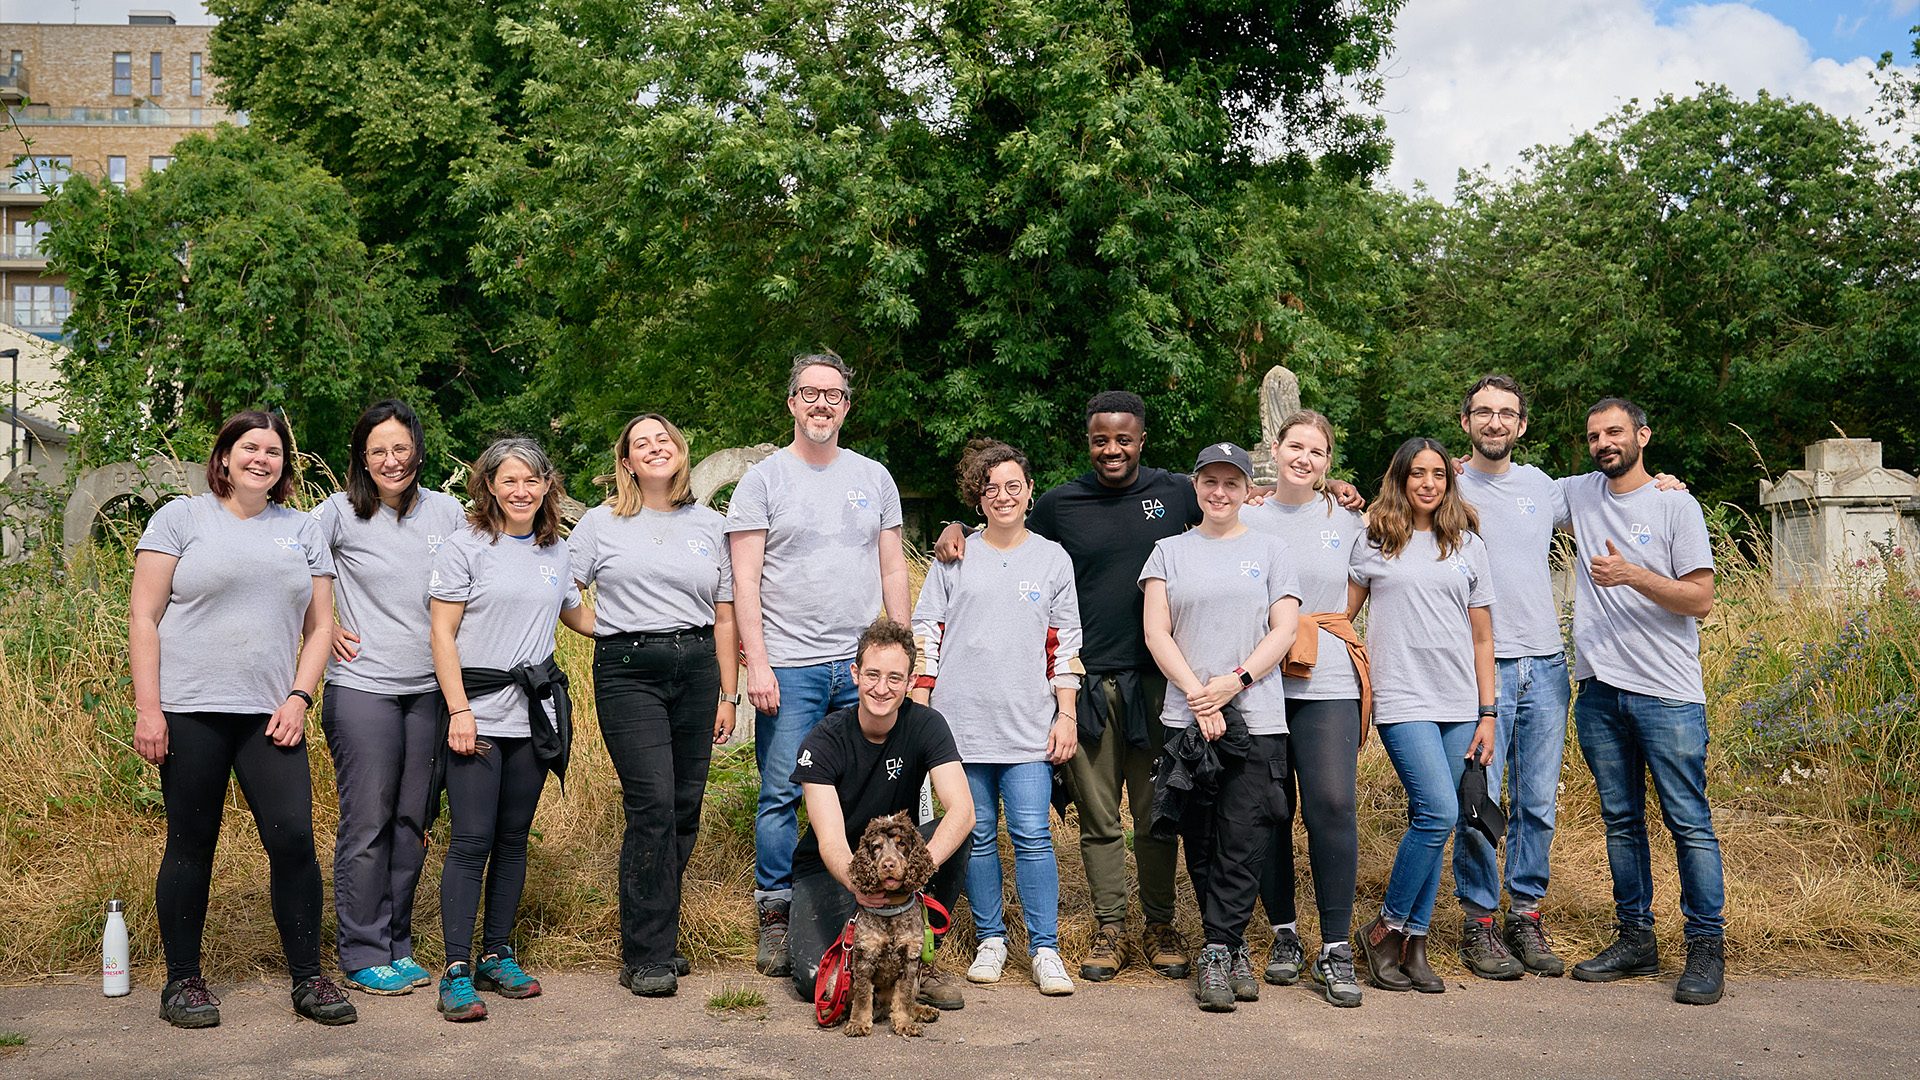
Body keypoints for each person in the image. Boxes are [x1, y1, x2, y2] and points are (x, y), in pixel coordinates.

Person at [935, 390, 1200, 982]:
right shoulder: (1059, 504)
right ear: (1088, 442)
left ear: (1141, 439)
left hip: (1160, 683)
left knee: (1157, 815)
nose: (1112, 449)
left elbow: (1238, 504)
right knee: (1100, 818)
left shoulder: (1177, 492)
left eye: (1123, 438)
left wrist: (1335, 492)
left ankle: (1159, 923)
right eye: (1101, 439)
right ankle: (1110, 927)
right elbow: (1001, 528)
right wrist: (954, 527)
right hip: (1087, 687)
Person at [1451, 375, 1687, 979]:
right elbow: (1386, 512)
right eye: (1484, 413)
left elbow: (1623, 485)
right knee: (1478, 800)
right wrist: (1336, 490)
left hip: (1548, 668)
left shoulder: (1548, 489)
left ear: (1522, 426)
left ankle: (1524, 915)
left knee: (1536, 801)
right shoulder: (1444, 484)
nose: (1495, 423)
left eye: (1507, 414)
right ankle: (1479, 922)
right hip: (1478, 668)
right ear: (1467, 423)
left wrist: (1665, 484)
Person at [130, 409, 357, 1029]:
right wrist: (150, 709)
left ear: (285, 465)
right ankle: (183, 982)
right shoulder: (180, 519)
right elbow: (144, 619)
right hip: (191, 710)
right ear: (224, 456)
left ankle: (309, 978)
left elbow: (320, 628)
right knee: (191, 843)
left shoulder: (303, 530)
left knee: (292, 841)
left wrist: (299, 698)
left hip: (270, 715)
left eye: (275, 451)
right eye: (250, 448)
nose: (263, 458)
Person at [725, 352, 912, 986]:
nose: (822, 404)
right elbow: (745, 581)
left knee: (870, 790)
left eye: (833, 395)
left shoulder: (874, 478)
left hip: (861, 670)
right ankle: (776, 916)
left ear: (847, 405)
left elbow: (892, 570)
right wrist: (759, 664)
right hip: (793, 666)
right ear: (791, 403)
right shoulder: (764, 482)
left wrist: (897, 654)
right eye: (809, 393)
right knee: (781, 792)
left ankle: (870, 907)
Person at [571, 414, 740, 998]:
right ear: (627, 462)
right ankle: (646, 954)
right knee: (652, 803)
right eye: (640, 444)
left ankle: (656, 936)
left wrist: (728, 691)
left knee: (685, 805)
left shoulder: (711, 525)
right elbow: (559, 586)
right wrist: (601, 626)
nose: (654, 449)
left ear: (679, 451)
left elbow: (725, 613)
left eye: (662, 440)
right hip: (628, 671)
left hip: (696, 667)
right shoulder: (600, 524)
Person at [1563, 398, 1725, 1006]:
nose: (1604, 442)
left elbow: (1699, 600)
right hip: (1599, 691)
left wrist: (1632, 575)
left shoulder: (1674, 502)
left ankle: (1706, 947)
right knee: (1622, 821)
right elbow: (1491, 489)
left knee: (1689, 822)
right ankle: (1636, 938)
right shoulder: (1579, 493)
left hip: (1669, 693)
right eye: (1593, 435)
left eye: (1615, 432)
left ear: (1642, 436)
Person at [429, 437, 596, 1022]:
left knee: (514, 840)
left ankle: (496, 953)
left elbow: (580, 616)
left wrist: (655, 621)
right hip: (475, 712)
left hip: (533, 717)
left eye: (532, 480)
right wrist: (458, 711)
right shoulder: (465, 546)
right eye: (509, 481)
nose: (521, 491)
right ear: (490, 487)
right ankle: (455, 969)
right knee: (471, 841)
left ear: (548, 486)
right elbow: (442, 635)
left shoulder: (557, 551)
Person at [910, 440, 1083, 996]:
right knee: (977, 834)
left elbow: (1065, 645)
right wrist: (920, 701)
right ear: (977, 498)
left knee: (1032, 834)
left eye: (1013, 485)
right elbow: (927, 632)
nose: (1003, 496)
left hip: (1028, 725)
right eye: (991, 489)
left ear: (1030, 491)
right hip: (960, 725)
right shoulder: (954, 555)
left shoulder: (1053, 558)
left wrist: (1066, 714)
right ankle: (990, 939)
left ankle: (1045, 949)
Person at [314, 399, 468, 996]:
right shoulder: (336, 514)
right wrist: (321, 628)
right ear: (361, 457)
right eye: (378, 450)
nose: (390, 460)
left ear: (418, 450)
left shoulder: (449, 513)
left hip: (429, 690)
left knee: (413, 820)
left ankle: (397, 942)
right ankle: (360, 949)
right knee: (368, 821)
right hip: (363, 688)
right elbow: (287, 571)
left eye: (400, 448)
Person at [1141, 442, 1301, 1013]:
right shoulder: (1167, 551)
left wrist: (1235, 681)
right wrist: (1197, 694)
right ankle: (1228, 948)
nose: (1219, 492)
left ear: (1245, 489)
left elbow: (1284, 629)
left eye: (1231, 483)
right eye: (1209, 481)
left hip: (1255, 718)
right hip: (1187, 719)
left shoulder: (1271, 550)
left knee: (1245, 832)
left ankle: (1217, 948)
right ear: (1197, 485)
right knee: (1202, 838)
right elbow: (1157, 632)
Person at [1348, 437, 1497, 995]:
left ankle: (1413, 944)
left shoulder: (1467, 545)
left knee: (1441, 820)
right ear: (1401, 479)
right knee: (1436, 812)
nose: (1429, 483)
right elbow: (1342, 618)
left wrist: (1488, 712)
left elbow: (1483, 637)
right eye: (1417, 474)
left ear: (1449, 481)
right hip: (1402, 697)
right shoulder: (1374, 540)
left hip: (1460, 702)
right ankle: (1385, 927)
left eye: (1438, 473)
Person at [1240, 410, 1368, 1007]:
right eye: (1296, 447)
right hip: (1259, 685)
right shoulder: (1245, 514)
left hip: (1327, 681)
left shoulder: (1347, 518)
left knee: (1333, 805)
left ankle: (1336, 946)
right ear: (1275, 447)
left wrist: (1318, 627)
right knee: (1269, 809)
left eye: (1317, 452)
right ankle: (1285, 933)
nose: (1305, 459)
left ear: (1328, 460)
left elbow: (1361, 584)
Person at [785, 621, 975, 1005]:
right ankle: (870, 963)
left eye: (894, 678)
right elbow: (832, 842)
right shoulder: (824, 740)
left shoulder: (927, 725)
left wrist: (915, 872)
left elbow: (963, 811)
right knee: (815, 984)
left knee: (960, 833)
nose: (882, 688)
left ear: (910, 682)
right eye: (872, 675)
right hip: (834, 871)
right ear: (856, 675)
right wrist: (860, 886)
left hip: (900, 864)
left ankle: (916, 959)